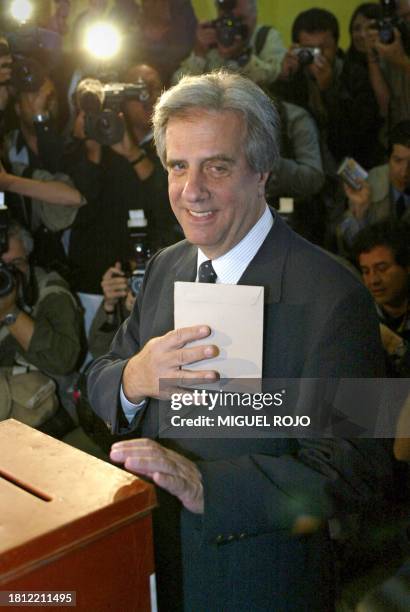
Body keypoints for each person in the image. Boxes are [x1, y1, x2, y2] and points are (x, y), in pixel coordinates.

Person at [87, 72, 392, 612]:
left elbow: (355, 471)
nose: (191, 189)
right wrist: (133, 379)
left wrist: (205, 485)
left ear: (262, 174)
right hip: (155, 567)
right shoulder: (166, 265)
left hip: (260, 582)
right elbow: (102, 375)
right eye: (178, 166)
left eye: (217, 166)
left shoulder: (338, 294)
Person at [0, 220, 84, 436]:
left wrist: (10, 313)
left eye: (15, 264)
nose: (7, 274)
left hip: (48, 409)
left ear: (29, 260)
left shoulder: (52, 294)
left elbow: (63, 361)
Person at [172, 0, 285, 86]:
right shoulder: (211, 37)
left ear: (254, 16)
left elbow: (277, 77)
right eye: (227, 19)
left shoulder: (265, 37)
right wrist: (199, 54)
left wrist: (242, 57)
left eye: (240, 19)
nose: (233, 27)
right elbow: (178, 84)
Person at [338, 120, 410, 250]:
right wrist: (360, 213)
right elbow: (349, 244)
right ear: (388, 159)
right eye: (398, 161)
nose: (404, 172)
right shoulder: (369, 182)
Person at [335, 2, 389, 169]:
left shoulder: (391, 65)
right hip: (352, 153)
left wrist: (372, 56)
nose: (362, 35)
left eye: (370, 28)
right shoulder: (346, 67)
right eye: (357, 28)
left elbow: (385, 107)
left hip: (384, 149)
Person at [353, 221, 410, 377]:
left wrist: (394, 344)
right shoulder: (358, 317)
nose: (373, 280)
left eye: (382, 268)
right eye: (366, 271)